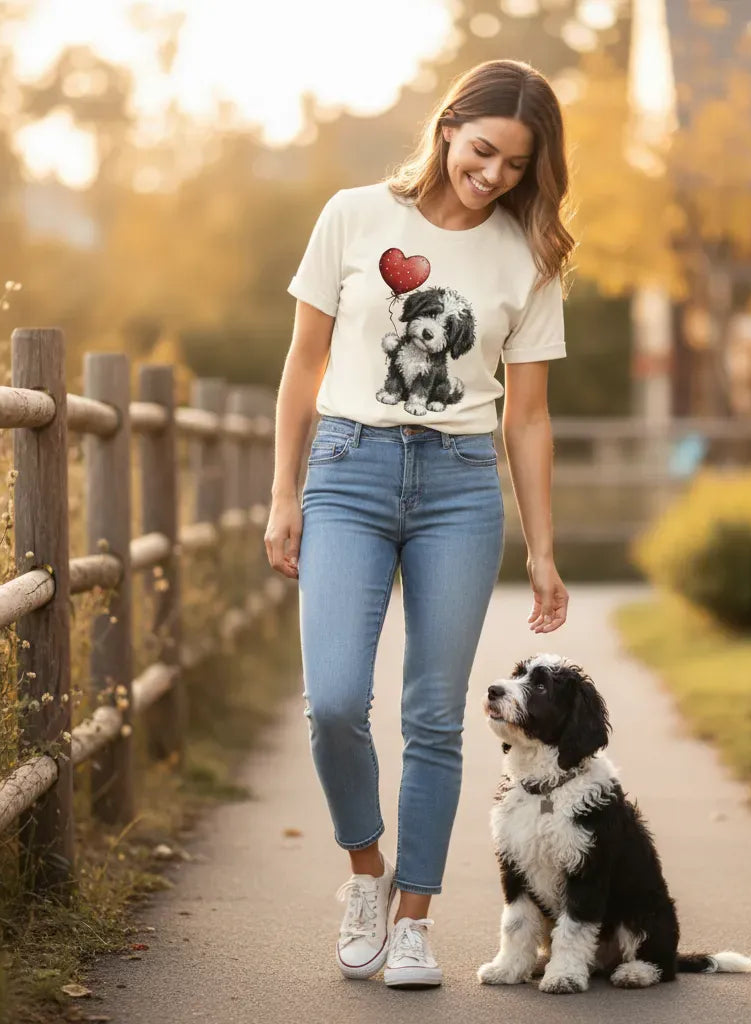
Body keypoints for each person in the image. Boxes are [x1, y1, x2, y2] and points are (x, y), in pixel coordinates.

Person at [264, 58, 575, 989]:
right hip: (348, 469)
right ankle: (367, 874)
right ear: (448, 130)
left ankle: (414, 921)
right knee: (332, 702)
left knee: (435, 717)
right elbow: (304, 363)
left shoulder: (528, 256)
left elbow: (528, 418)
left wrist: (545, 550)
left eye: (516, 166)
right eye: (483, 151)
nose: (493, 175)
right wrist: (283, 494)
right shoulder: (354, 215)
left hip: (459, 485)